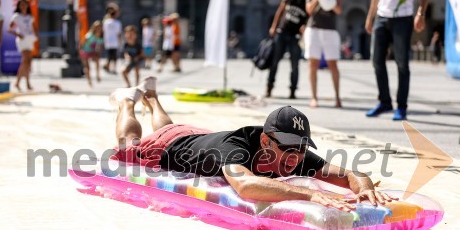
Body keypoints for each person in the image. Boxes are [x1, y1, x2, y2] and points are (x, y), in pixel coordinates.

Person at [108, 77, 393, 210]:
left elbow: (350, 174)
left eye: (302, 148)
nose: (296, 156)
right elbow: (246, 185)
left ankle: (153, 97)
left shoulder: (295, 154)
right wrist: (307, 194)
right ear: (267, 141)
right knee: (127, 146)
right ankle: (126, 102)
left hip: (194, 134)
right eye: (289, 148)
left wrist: (364, 188)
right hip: (165, 149)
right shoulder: (238, 149)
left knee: (171, 127)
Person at [365, 0, 429, 120]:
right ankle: (385, 102)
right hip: (381, 16)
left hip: (403, 18)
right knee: (377, 61)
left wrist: (421, 14)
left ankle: (401, 106)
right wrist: (370, 17)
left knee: (402, 64)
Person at [304, 0, 343, 108]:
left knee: (333, 65)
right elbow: (309, 10)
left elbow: (339, 10)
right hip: (313, 29)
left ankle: (337, 98)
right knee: (313, 65)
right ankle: (314, 98)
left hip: (330, 30)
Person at [266, 0, 308, 100]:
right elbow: (280, 10)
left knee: (295, 65)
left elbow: (310, 17)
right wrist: (274, 26)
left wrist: (305, 28)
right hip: (282, 32)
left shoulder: (307, 1)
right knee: (274, 61)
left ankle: (293, 91)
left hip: (296, 36)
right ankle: (269, 87)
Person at [8, 0, 38, 91]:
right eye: (21, 5)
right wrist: (18, 34)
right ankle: (18, 82)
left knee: (28, 62)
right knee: (25, 60)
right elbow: (9, 28)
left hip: (30, 39)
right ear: (19, 6)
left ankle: (27, 83)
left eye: (24, 4)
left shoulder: (30, 16)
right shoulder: (16, 16)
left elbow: (34, 28)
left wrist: (36, 37)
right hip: (22, 40)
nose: (23, 6)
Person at [79, 20, 104, 87]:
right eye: (97, 27)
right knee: (87, 67)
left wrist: (98, 52)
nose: (98, 29)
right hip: (85, 51)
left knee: (97, 61)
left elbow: (100, 46)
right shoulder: (90, 35)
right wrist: (80, 52)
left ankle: (98, 75)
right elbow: (82, 43)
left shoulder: (100, 36)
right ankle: (89, 81)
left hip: (92, 52)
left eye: (100, 27)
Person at [102, 8, 122, 74]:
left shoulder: (105, 22)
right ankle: (113, 68)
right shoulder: (117, 23)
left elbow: (103, 31)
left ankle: (107, 66)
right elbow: (118, 33)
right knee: (114, 56)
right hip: (115, 41)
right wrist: (120, 41)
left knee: (109, 55)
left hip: (107, 41)